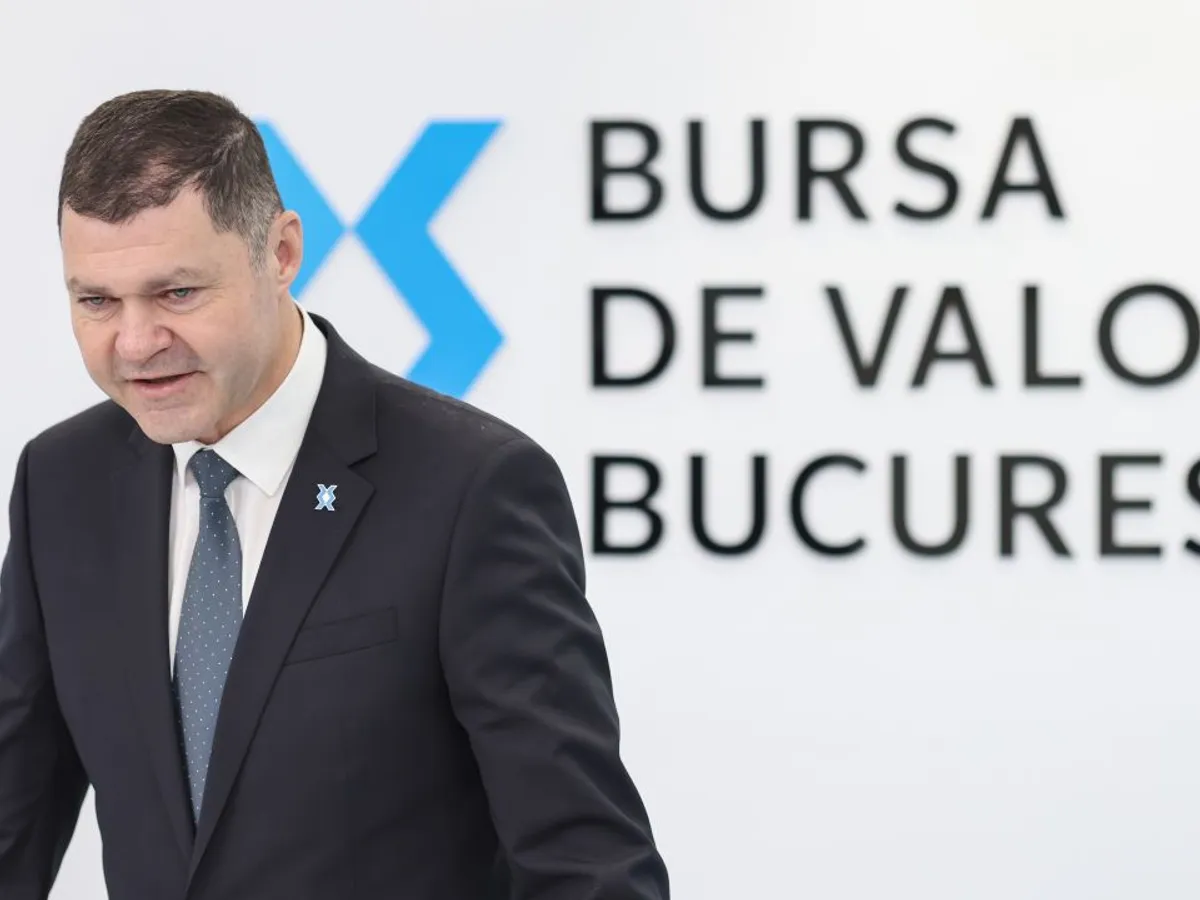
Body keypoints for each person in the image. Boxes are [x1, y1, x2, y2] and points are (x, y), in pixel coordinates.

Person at [0, 89, 669, 900]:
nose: (136, 343)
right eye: (97, 301)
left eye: (177, 293)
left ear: (281, 252)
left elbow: (586, 863)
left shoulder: (470, 488)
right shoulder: (61, 484)